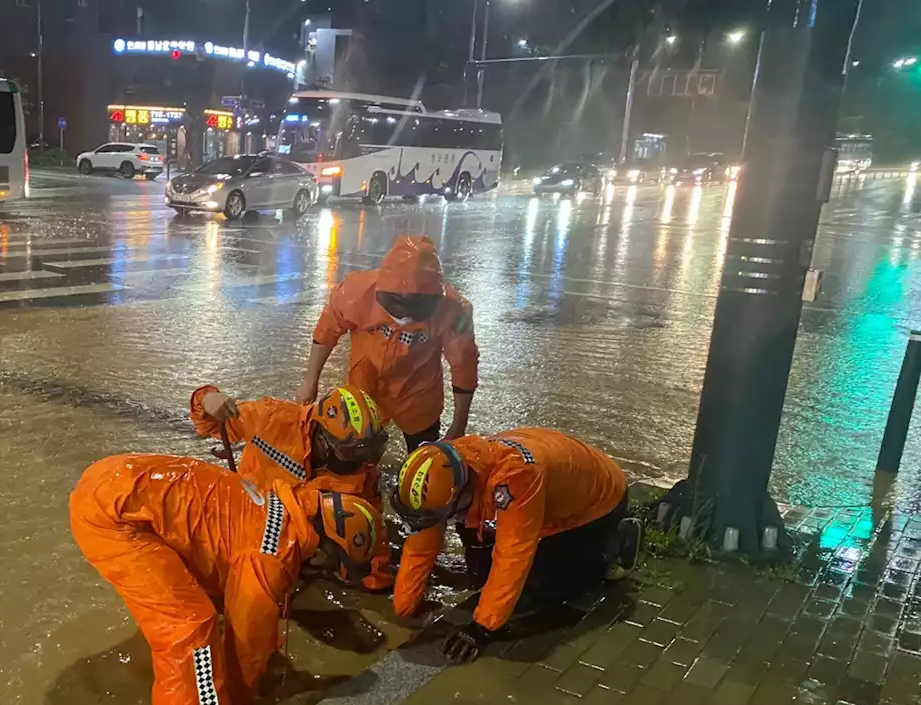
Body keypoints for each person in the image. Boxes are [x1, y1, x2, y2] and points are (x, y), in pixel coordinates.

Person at [69, 454, 380, 705]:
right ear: (326, 549)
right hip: (113, 518)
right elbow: (247, 642)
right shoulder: (270, 557)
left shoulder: (288, 507)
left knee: (203, 598)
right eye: (332, 565)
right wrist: (241, 700)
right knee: (190, 628)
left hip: (119, 480)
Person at [390, 429, 642, 663]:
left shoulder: (515, 478)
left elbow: (513, 556)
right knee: (481, 577)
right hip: (548, 492)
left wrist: (482, 628)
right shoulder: (446, 469)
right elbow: (422, 542)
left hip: (597, 503)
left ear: (463, 494)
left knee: (544, 588)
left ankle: (618, 542)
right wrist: (405, 605)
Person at [189, 383, 393, 590]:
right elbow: (209, 425)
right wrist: (207, 399)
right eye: (353, 453)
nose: (363, 462)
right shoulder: (272, 419)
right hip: (246, 514)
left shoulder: (363, 474)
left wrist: (376, 578)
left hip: (295, 534)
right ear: (322, 436)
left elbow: (371, 525)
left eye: (370, 452)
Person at [296, 234, 479, 452]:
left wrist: (458, 427)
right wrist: (310, 382)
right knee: (353, 454)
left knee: (423, 457)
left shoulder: (455, 311)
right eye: (398, 304)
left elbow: (464, 367)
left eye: (416, 306)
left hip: (418, 393)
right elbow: (326, 333)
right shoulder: (354, 292)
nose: (406, 315)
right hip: (364, 384)